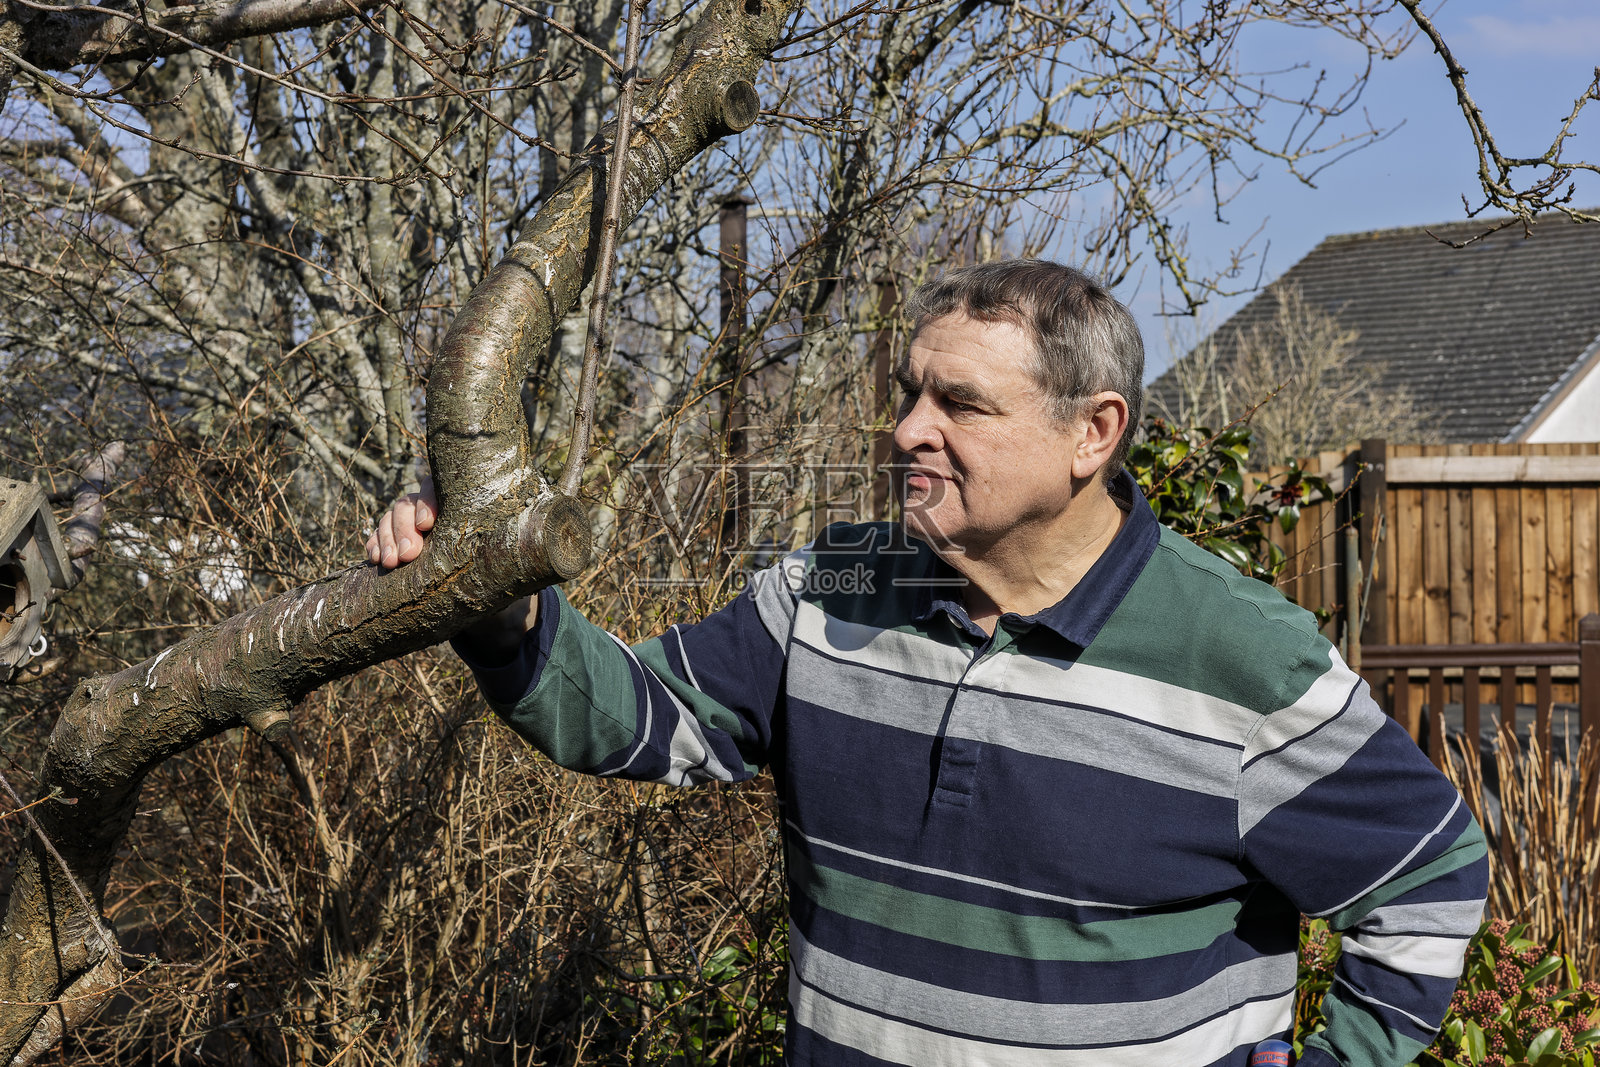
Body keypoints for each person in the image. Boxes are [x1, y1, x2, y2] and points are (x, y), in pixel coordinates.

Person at [369, 260, 1488, 1066]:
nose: (908, 427)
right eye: (910, 391)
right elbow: (641, 716)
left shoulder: (1239, 652)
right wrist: (502, 609)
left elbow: (1431, 876)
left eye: (960, 402)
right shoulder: (841, 585)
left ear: (1092, 432)